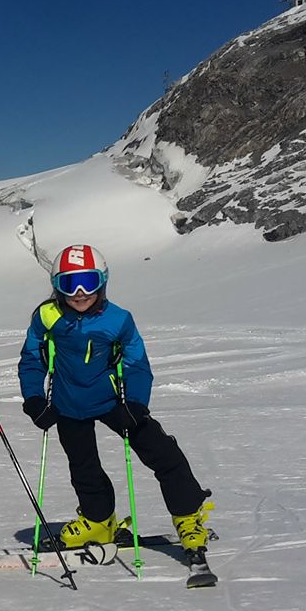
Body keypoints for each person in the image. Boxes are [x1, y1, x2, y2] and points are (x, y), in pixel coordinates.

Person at [17, 244, 214, 573]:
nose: (80, 293)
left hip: (114, 402)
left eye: (88, 283)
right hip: (68, 404)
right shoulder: (46, 317)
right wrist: (34, 399)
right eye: (69, 285)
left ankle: (188, 517)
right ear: (56, 287)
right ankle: (98, 521)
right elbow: (32, 360)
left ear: (102, 283)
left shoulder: (118, 319)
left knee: (163, 453)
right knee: (83, 467)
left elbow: (136, 362)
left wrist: (136, 404)